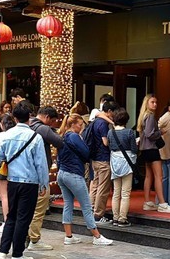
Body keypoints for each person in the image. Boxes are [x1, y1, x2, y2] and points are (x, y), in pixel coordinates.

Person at [0, 101, 47, 259]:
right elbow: (41, 164)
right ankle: (17, 254)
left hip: (12, 181)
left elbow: (0, 157)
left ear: (15, 117)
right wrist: (44, 184)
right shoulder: (35, 137)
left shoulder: (6, 135)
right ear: (29, 117)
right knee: (24, 218)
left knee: (11, 216)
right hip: (30, 182)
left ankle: (2, 252)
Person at [57, 113, 113, 245]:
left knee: (68, 204)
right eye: (80, 124)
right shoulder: (74, 136)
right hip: (74, 174)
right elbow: (86, 152)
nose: (82, 127)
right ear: (73, 124)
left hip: (62, 173)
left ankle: (69, 236)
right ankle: (97, 236)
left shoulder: (63, 136)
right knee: (86, 206)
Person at [27, 105, 64, 250]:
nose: (52, 125)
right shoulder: (42, 128)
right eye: (53, 121)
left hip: (25, 174)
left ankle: (27, 236)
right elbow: (60, 142)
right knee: (40, 206)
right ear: (47, 117)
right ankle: (34, 239)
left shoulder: (27, 126)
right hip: (39, 174)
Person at [138, 94, 170, 214]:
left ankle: (147, 202)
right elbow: (150, 134)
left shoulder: (143, 116)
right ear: (147, 103)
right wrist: (160, 132)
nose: (155, 104)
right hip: (152, 149)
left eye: (156, 102)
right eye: (152, 102)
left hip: (144, 149)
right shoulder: (150, 116)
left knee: (149, 176)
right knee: (159, 176)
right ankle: (162, 203)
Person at [88, 101, 117, 224]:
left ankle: (91, 209)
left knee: (94, 185)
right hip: (103, 159)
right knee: (103, 188)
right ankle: (98, 215)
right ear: (109, 111)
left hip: (94, 158)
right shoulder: (103, 124)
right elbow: (105, 142)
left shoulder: (95, 121)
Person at [108, 107, 137, 226]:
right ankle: (122, 218)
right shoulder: (130, 132)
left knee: (116, 192)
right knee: (125, 193)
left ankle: (115, 217)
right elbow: (134, 150)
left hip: (114, 162)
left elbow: (109, 147)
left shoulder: (110, 132)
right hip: (127, 163)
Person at [0, 113, 16, 233]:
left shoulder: (1, 135)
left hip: (2, 166)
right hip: (15, 166)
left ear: (2, 124)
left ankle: (7, 222)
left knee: (4, 196)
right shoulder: (16, 134)